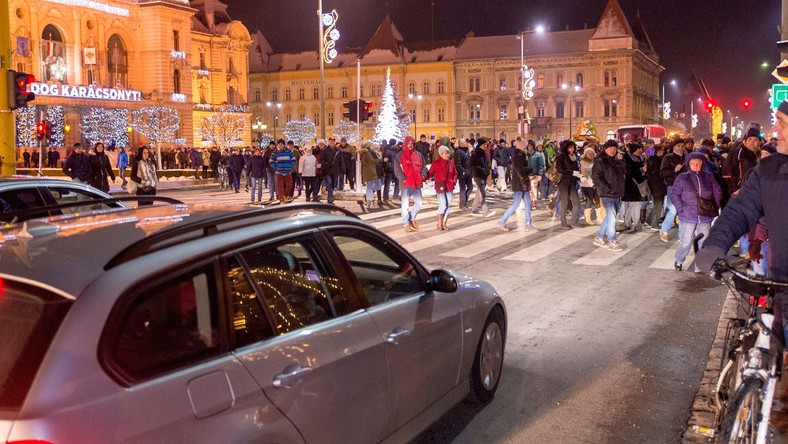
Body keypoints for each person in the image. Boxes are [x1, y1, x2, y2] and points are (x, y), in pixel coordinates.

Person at [698, 102, 788, 343]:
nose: (775, 129)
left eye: (782, 122)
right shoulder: (770, 169)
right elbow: (740, 209)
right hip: (782, 289)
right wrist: (715, 244)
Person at [671, 152, 722, 271]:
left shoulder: (709, 176)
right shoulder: (682, 177)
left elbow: (717, 192)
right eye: (693, 163)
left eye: (698, 163)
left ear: (702, 164)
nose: (696, 165)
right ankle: (679, 260)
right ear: (688, 164)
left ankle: (700, 265)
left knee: (704, 242)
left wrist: (714, 205)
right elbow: (675, 195)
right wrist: (681, 209)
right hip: (688, 215)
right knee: (686, 241)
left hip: (705, 216)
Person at [592, 139, 626, 251]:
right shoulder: (600, 161)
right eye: (611, 148)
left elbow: (626, 172)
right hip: (607, 193)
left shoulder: (616, 160)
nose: (613, 150)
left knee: (610, 217)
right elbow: (597, 177)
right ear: (605, 148)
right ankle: (612, 241)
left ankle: (599, 236)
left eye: (615, 148)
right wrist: (608, 188)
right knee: (612, 219)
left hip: (618, 192)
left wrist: (621, 161)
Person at [498, 139, 536, 231]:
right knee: (516, 204)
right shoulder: (518, 156)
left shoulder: (520, 155)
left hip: (523, 183)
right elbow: (521, 171)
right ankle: (502, 221)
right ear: (522, 146)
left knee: (528, 203)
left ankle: (528, 223)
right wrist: (530, 169)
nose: (527, 147)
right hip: (519, 184)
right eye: (526, 145)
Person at [659, 138, 687, 242]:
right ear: (674, 147)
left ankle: (682, 235)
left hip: (685, 187)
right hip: (672, 186)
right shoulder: (668, 157)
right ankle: (664, 229)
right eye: (678, 146)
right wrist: (674, 170)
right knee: (674, 208)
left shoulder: (686, 158)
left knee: (682, 210)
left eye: (682, 146)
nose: (680, 148)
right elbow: (662, 173)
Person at [427, 145, 457, 230]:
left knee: (448, 205)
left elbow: (455, 173)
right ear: (441, 154)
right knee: (443, 204)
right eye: (445, 153)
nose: (447, 155)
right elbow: (430, 173)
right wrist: (423, 177)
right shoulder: (436, 163)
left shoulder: (451, 162)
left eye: (448, 153)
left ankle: (444, 223)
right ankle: (439, 222)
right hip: (440, 186)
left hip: (449, 186)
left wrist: (453, 181)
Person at [555, 140, 583, 228]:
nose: (572, 149)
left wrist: (579, 176)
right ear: (566, 148)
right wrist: (571, 173)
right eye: (570, 147)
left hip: (572, 182)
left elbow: (576, 169)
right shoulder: (561, 156)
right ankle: (563, 222)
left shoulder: (574, 157)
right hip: (563, 182)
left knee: (576, 201)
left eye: (573, 147)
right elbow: (559, 169)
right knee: (564, 202)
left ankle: (574, 220)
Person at [400, 136, 424, 232]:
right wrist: (403, 179)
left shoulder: (418, 154)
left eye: (412, 143)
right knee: (405, 205)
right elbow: (397, 169)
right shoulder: (400, 155)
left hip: (416, 182)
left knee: (419, 202)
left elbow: (423, 167)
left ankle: (412, 217)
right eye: (408, 143)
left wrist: (423, 175)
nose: (410, 145)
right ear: (405, 144)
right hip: (406, 183)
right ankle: (406, 223)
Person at [622, 143, 646, 231]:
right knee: (636, 204)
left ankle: (628, 222)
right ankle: (635, 223)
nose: (642, 150)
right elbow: (629, 172)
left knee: (632, 205)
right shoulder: (628, 159)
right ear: (636, 149)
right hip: (632, 184)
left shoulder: (638, 158)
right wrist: (642, 170)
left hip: (635, 184)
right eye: (640, 148)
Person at [645, 144, 667, 230]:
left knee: (656, 204)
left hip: (654, 186)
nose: (663, 151)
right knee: (658, 204)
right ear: (658, 151)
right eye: (662, 150)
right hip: (657, 186)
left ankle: (650, 220)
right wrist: (661, 182)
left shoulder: (652, 160)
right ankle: (654, 223)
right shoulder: (657, 161)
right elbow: (656, 174)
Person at [470, 138, 493, 216]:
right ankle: (485, 209)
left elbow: (488, 163)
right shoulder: (474, 154)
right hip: (478, 175)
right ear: (480, 145)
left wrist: (488, 169)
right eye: (484, 145)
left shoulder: (485, 153)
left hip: (485, 175)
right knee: (482, 193)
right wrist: (481, 170)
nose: (485, 146)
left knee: (479, 192)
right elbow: (473, 166)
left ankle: (474, 208)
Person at [579, 146, 599, 225]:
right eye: (588, 154)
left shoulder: (596, 161)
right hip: (587, 184)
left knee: (597, 200)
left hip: (596, 183)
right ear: (585, 154)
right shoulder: (583, 162)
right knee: (589, 200)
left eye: (591, 153)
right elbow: (584, 173)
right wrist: (591, 181)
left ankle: (599, 218)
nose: (590, 155)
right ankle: (588, 219)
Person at [360, 141, 383, 208]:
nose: (373, 146)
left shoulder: (365, 152)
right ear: (369, 146)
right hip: (371, 171)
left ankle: (369, 202)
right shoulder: (367, 153)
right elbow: (372, 161)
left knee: (371, 186)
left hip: (370, 171)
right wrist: (381, 160)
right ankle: (369, 202)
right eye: (371, 145)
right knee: (370, 187)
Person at [319, 138, 341, 203]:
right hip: (327, 170)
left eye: (333, 142)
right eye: (330, 142)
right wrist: (326, 164)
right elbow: (321, 160)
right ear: (328, 142)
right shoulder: (325, 150)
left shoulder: (338, 151)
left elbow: (340, 160)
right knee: (329, 183)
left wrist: (342, 169)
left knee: (333, 184)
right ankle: (330, 197)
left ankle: (330, 196)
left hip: (335, 170)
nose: (331, 143)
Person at [454, 139, 473, 210]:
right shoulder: (459, 152)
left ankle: (464, 202)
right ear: (460, 144)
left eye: (465, 142)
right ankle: (462, 204)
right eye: (463, 142)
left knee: (470, 188)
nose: (465, 143)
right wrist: (463, 171)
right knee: (463, 189)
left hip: (468, 172)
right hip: (462, 173)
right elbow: (457, 164)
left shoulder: (467, 151)